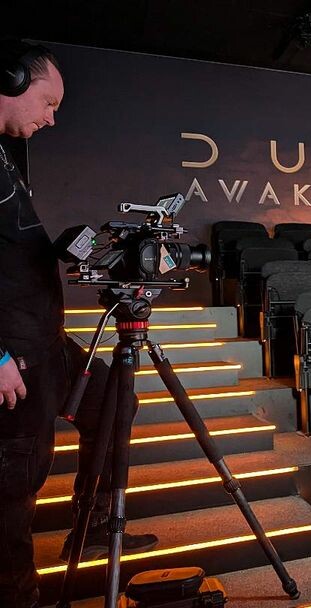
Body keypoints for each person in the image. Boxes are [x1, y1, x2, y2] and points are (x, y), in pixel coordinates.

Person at [0, 40, 156, 608]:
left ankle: (92, 526)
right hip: (10, 352)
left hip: (45, 339)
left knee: (116, 401)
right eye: (48, 103)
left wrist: (64, 251)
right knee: (14, 484)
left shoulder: (9, 153)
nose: (52, 118)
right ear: (11, 80)